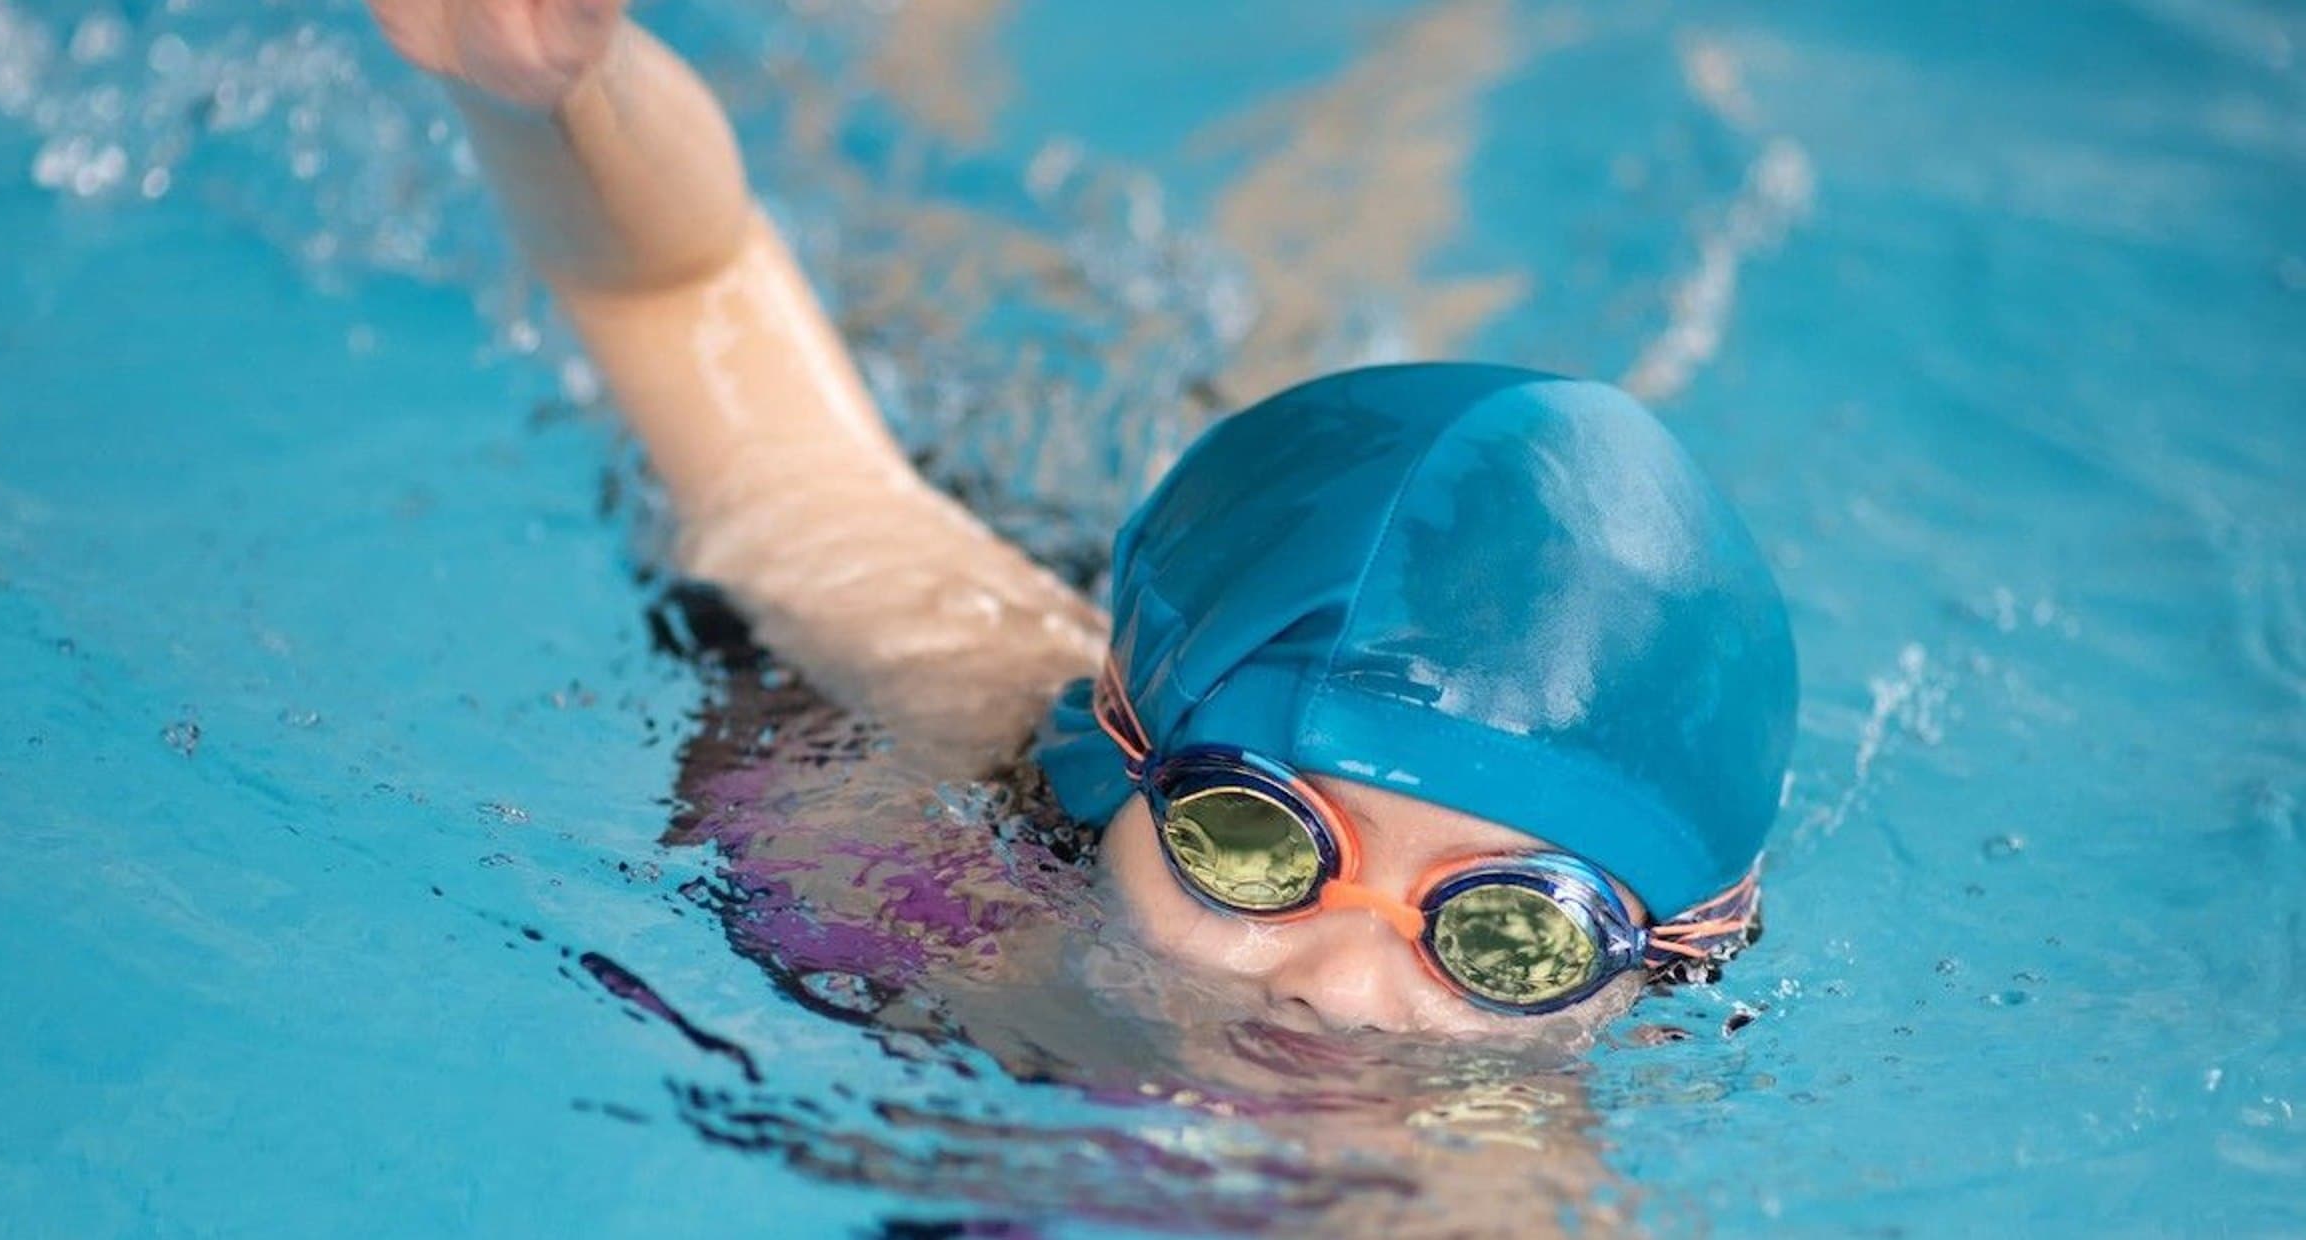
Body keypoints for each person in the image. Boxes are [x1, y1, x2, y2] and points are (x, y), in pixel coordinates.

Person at [367, 0, 1794, 1043]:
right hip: (1037, 522)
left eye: (1509, 934)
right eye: (1251, 838)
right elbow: (686, 297)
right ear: (1121, 769)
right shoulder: (957, 683)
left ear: (1655, 968)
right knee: (932, 192)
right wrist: (555, 89)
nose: (1336, 989)